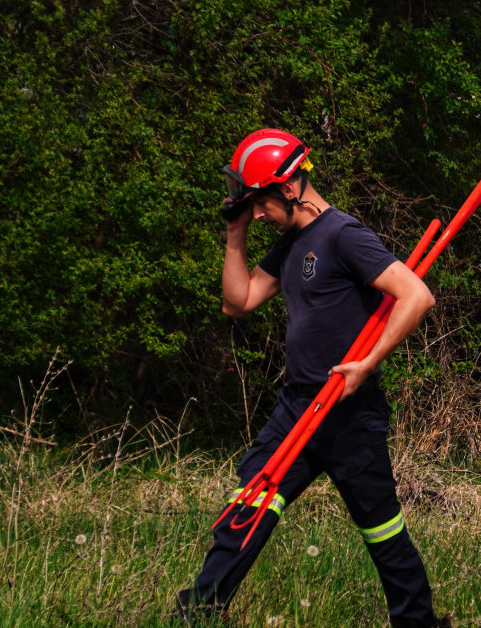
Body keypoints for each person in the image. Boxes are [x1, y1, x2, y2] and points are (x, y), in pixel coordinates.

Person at [175, 128, 450, 627]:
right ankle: (198, 613)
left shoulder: (343, 234)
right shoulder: (291, 242)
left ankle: (419, 624)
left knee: (382, 530)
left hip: (349, 411)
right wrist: (234, 233)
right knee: (248, 504)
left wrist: (367, 365)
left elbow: (416, 296)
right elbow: (237, 302)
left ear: (287, 188)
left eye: (259, 203)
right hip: (297, 407)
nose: (257, 213)